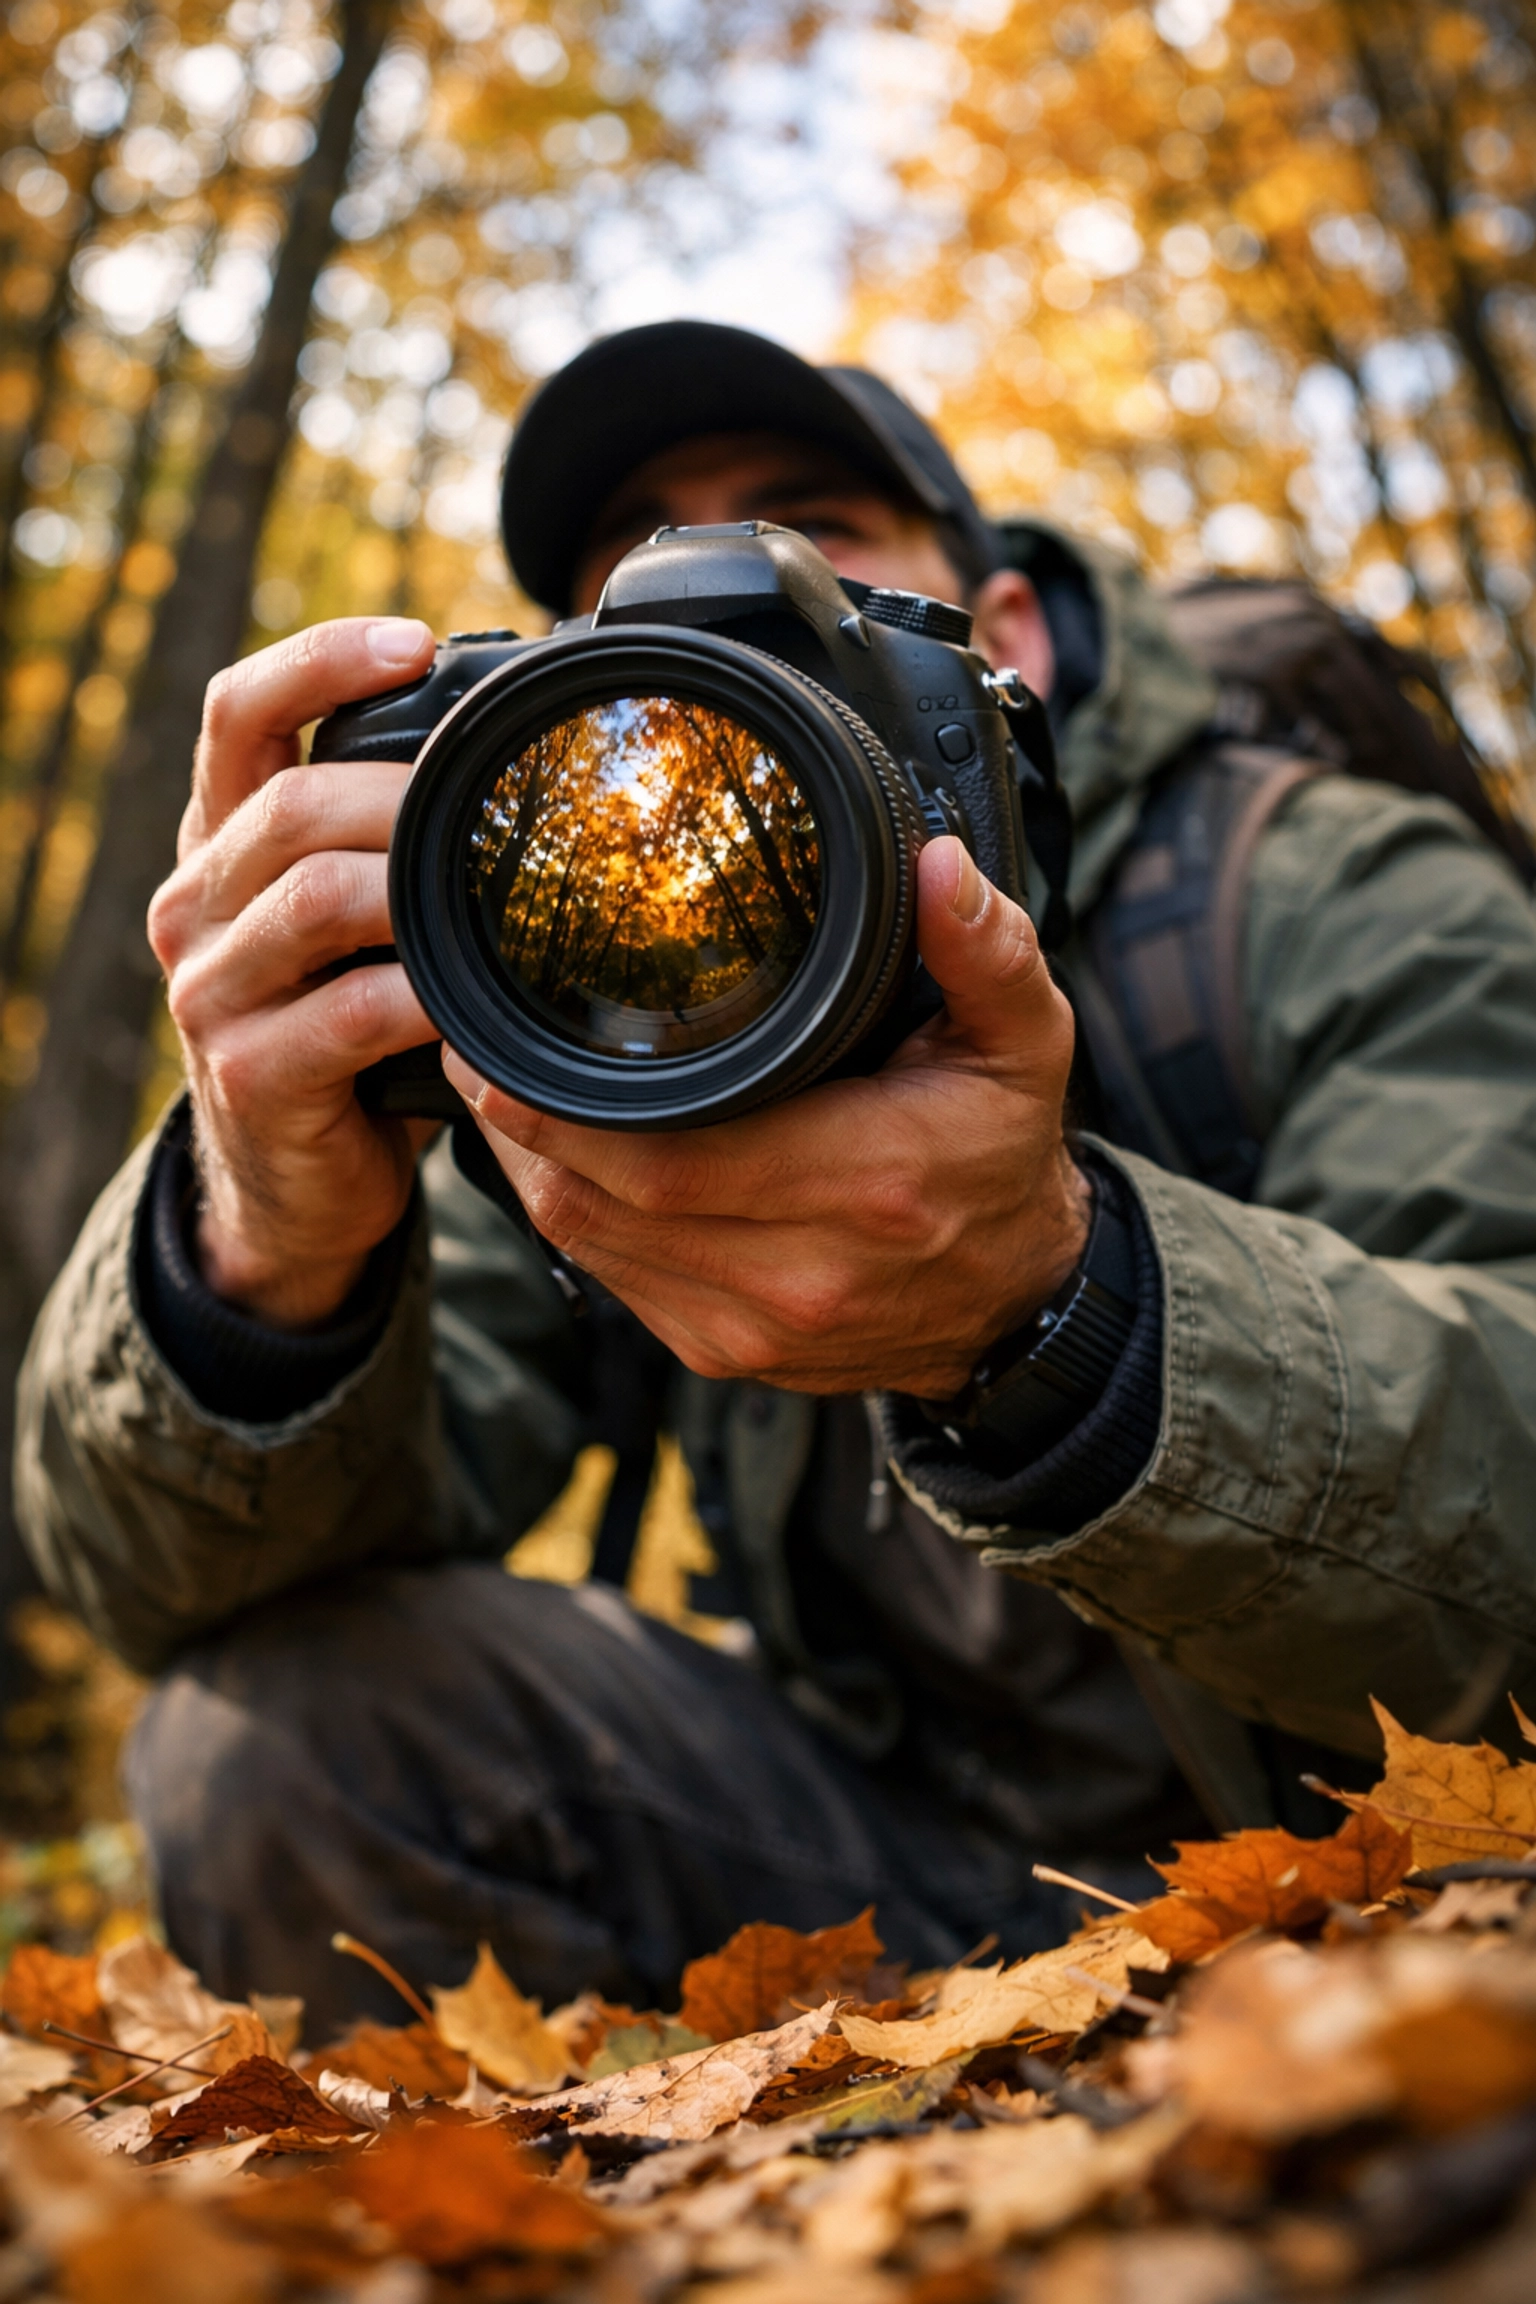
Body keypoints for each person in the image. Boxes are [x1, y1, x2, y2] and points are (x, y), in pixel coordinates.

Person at [16, 321, 1536, 2040]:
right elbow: (157, 1592)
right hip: (890, 1875)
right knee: (276, 1733)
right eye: (630, 604)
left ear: (1008, 640)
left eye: (819, 543)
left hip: (1385, 1872)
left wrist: (1059, 1308)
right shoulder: (550, 1014)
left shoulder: (1321, 880)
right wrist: (263, 1246)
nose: (716, 626)